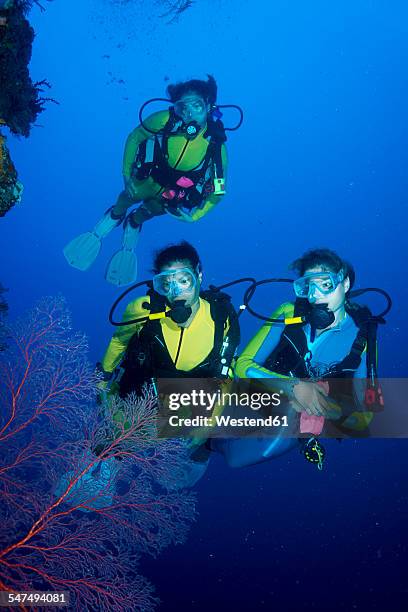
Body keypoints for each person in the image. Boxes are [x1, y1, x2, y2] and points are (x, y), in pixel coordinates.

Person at [218, 248, 378, 469]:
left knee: (241, 457)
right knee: (215, 434)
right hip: (256, 396)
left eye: (325, 284)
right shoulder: (287, 314)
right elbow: (243, 365)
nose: (315, 295)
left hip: (295, 421)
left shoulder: (363, 336)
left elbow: (365, 417)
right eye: (308, 287)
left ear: (345, 283)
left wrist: (323, 407)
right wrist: (294, 387)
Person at [64, 75, 229, 286]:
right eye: (182, 108)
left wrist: (195, 216)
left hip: (171, 193)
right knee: (127, 197)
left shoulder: (216, 147)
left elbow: (219, 189)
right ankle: (114, 216)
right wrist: (125, 175)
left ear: (209, 106)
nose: (188, 115)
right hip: (148, 178)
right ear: (175, 108)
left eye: (196, 106)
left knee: (151, 210)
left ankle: (134, 222)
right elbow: (135, 137)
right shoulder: (163, 120)